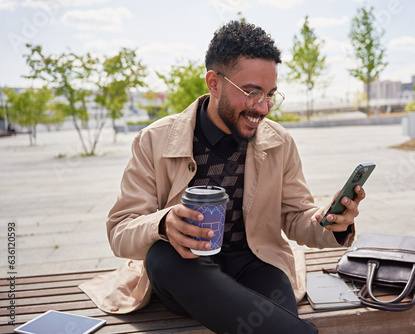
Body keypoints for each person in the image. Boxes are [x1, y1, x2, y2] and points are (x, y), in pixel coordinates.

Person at [80, 21, 365, 333]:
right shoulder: (154, 140)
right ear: (214, 83)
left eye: (271, 94)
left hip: (257, 263)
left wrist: (331, 221)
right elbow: (120, 232)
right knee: (161, 257)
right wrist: (163, 223)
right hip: (186, 265)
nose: (264, 107)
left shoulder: (280, 142)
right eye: (252, 92)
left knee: (272, 299)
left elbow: (296, 216)